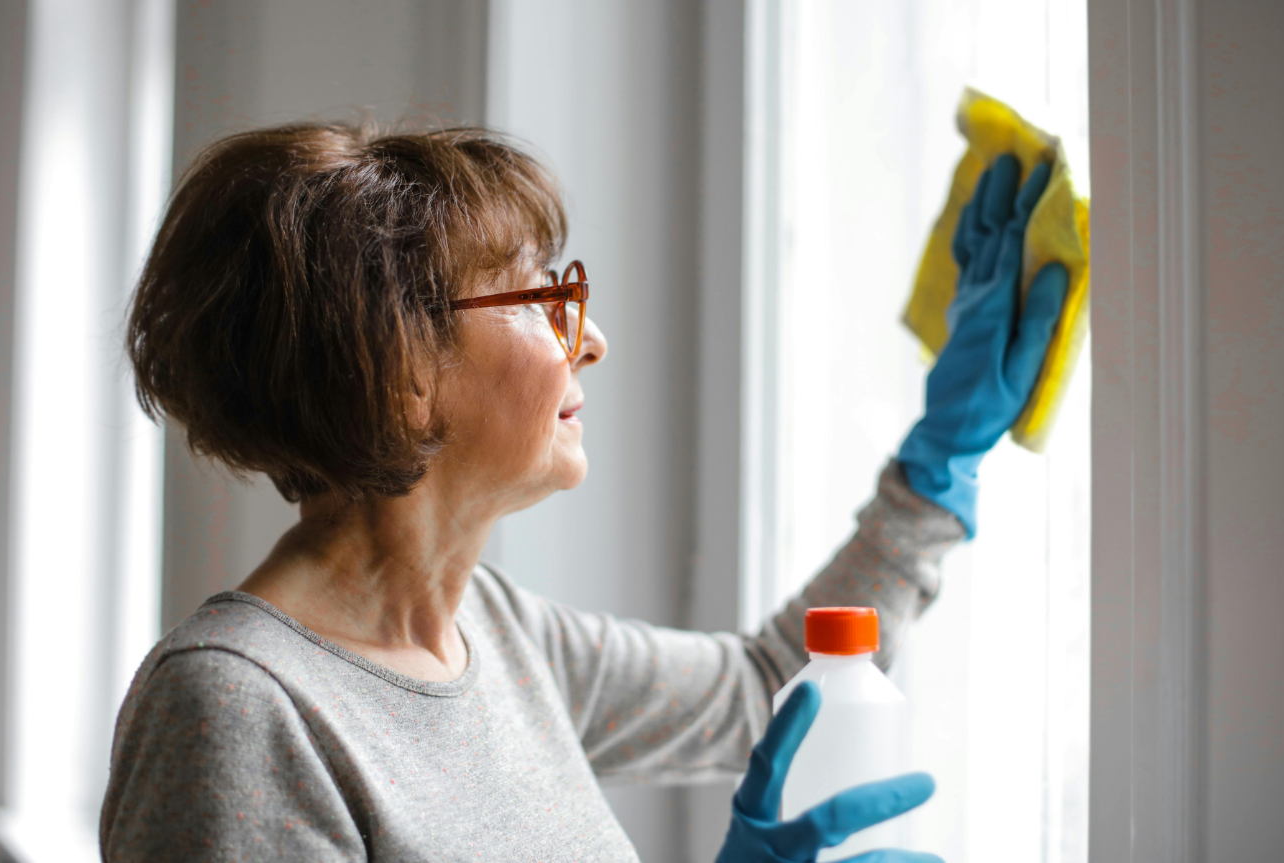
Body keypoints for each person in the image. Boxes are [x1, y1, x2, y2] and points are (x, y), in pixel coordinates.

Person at [101, 122, 1065, 862]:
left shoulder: (501, 635)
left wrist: (939, 461)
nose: (590, 337)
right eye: (537, 298)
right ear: (397, 368)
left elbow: (769, 689)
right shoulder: (234, 709)